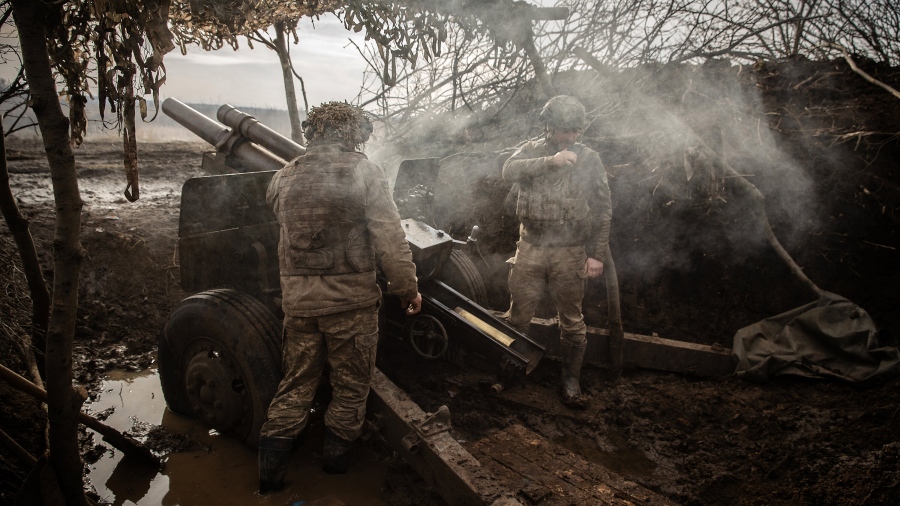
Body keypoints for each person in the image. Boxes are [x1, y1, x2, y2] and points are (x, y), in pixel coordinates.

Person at [258, 101, 422, 494]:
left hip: (299, 306)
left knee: (296, 385)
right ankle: (334, 471)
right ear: (352, 133)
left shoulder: (283, 177)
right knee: (351, 388)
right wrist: (408, 289)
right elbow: (390, 237)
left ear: (312, 133)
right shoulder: (365, 172)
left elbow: (276, 212)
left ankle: (269, 479)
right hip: (351, 306)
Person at [502, 95, 612, 409]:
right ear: (549, 126)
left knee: (572, 321)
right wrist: (552, 162)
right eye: (565, 130)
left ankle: (570, 381)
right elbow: (507, 171)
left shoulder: (589, 158)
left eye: (576, 131)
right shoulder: (531, 151)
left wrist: (597, 254)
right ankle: (511, 370)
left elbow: (604, 209)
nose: (572, 137)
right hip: (531, 248)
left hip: (570, 251)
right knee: (518, 315)